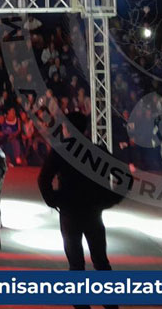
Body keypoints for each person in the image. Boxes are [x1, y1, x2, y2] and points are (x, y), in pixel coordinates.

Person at [38, 112, 120, 309]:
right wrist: (109, 199)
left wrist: (53, 200)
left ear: (67, 128)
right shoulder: (96, 150)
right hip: (93, 211)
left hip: (70, 211)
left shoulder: (60, 151)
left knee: (75, 264)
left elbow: (43, 179)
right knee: (101, 261)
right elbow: (124, 176)